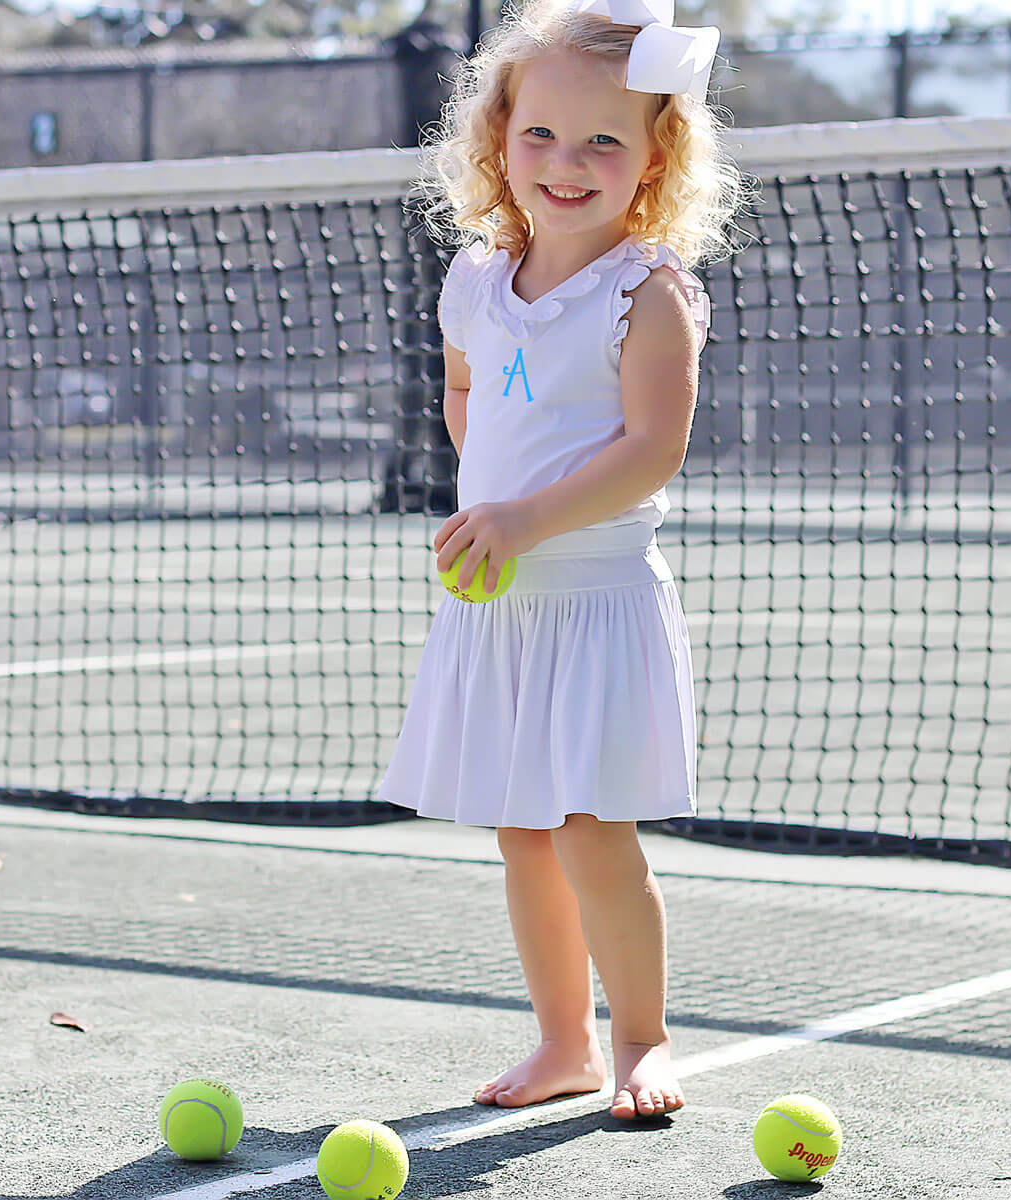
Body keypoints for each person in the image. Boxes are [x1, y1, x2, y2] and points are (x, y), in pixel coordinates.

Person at [378, 0, 745, 1121]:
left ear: (654, 157)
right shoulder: (475, 282)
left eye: (603, 141)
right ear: (499, 139)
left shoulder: (653, 292)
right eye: (541, 135)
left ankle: (643, 1039)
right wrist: (490, 510)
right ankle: (562, 1042)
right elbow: (464, 392)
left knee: (593, 835)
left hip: (595, 603)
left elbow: (651, 451)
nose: (567, 163)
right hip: (499, 608)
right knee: (522, 833)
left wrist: (527, 516)